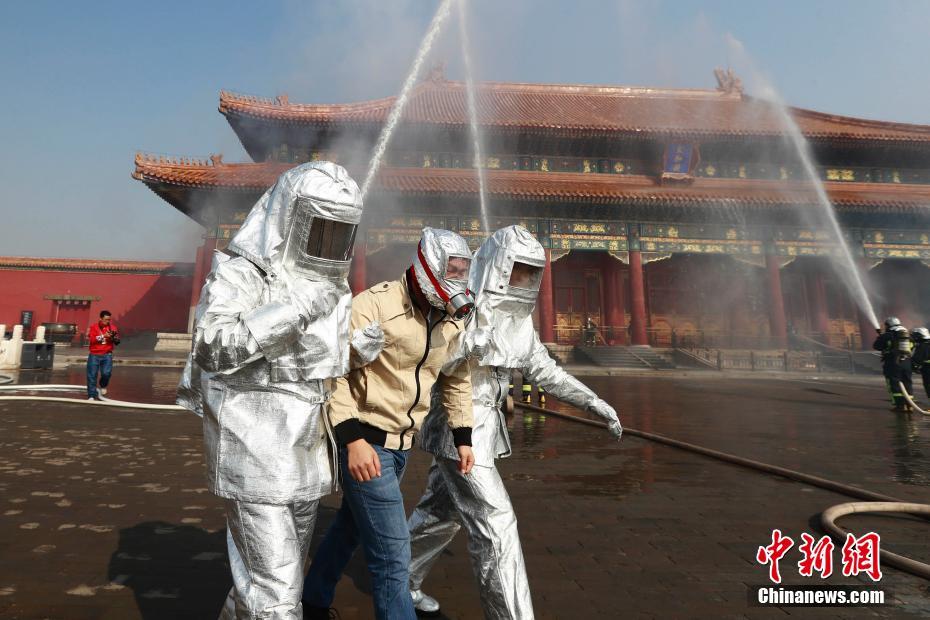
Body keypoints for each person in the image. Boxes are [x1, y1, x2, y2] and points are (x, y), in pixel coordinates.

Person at [176, 162, 378, 620]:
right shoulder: (241, 272)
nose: (329, 244)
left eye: (340, 232)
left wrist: (353, 352)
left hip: (305, 453)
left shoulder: (329, 284)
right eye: (321, 228)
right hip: (253, 445)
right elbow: (211, 346)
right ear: (292, 217)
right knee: (277, 596)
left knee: (261, 580)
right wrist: (297, 309)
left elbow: (307, 366)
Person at [409, 225, 623, 619]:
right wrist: (464, 348)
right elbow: (426, 360)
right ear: (498, 268)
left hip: (486, 430)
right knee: (497, 526)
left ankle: (400, 580)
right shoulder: (460, 306)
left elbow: (546, 372)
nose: (524, 282)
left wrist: (594, 402)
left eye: (531, 273)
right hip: (457, 429)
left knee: (441, 513)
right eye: (518, 271)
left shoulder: (519, 322)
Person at [302, 227, 476, 620]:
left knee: (350, 528)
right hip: (367, 443)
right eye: (450, 273)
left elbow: (456, 376)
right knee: (393, 556)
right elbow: (334, 372)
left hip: (401, 448)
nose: (455, 289)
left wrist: (462, 435)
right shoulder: (374, 306)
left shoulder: (450, 318)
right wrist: (352, 439)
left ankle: (312, 602)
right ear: (426, 269)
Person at [86, 310, 119, 401]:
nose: (107, 321)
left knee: (106, 373)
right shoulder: (94, 327)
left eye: (109, 320)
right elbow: (92, 340)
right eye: (106, 319)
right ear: (100, 318)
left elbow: (117, 341)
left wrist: (114, 338)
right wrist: (104, 336)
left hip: (107, 354)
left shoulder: (113, 327)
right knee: (92, 375)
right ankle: (91, 395)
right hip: (94, 354)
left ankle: (103, 385)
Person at [874, 317, 903, 407]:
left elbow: (877, 346)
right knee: (906, 382)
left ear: (889, 325)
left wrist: (880, 338)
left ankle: (898, 404)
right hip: (905, 362)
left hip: (891, 362)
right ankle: (908, 403)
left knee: (892, 382)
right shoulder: (905, 334)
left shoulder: (887, 335)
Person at [910, 327, 930, 399]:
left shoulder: (922, 346)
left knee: (928, 385)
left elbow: (917, 359)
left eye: (915, 335)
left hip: (927, 369)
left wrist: (913, 366)